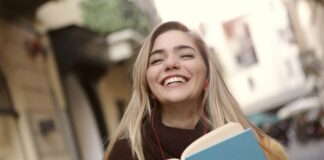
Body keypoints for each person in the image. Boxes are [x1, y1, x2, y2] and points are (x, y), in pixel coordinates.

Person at [104, 21, 288, 160]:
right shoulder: (126, 153)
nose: (170, 64)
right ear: (148, 85)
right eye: (157, 60)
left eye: (185, 55)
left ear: (207, 79)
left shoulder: (252, 146)